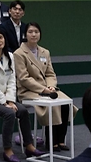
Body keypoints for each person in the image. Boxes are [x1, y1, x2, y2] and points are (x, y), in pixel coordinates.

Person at [0, 30, 46, 162]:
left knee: (23, 111)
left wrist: (10, 100)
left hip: (5, 99)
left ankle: (29, 146)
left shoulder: (10, 56)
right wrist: (5, 103)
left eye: (0, 37)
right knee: (9, 113)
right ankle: (7, 150)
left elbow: (12, 81)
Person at [14, 22, 76, 151]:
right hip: (28, 91)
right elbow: (23, 78)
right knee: (52, 106)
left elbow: (50, 73)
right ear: (25, 34)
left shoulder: (45, 52)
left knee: (65, 104)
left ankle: (60, 140)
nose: (34, 34)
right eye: (30, 32)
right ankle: (51, 141)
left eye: (36, 31)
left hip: (47, 89)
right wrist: (43, 89)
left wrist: (51, 86)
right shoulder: (19, 53)